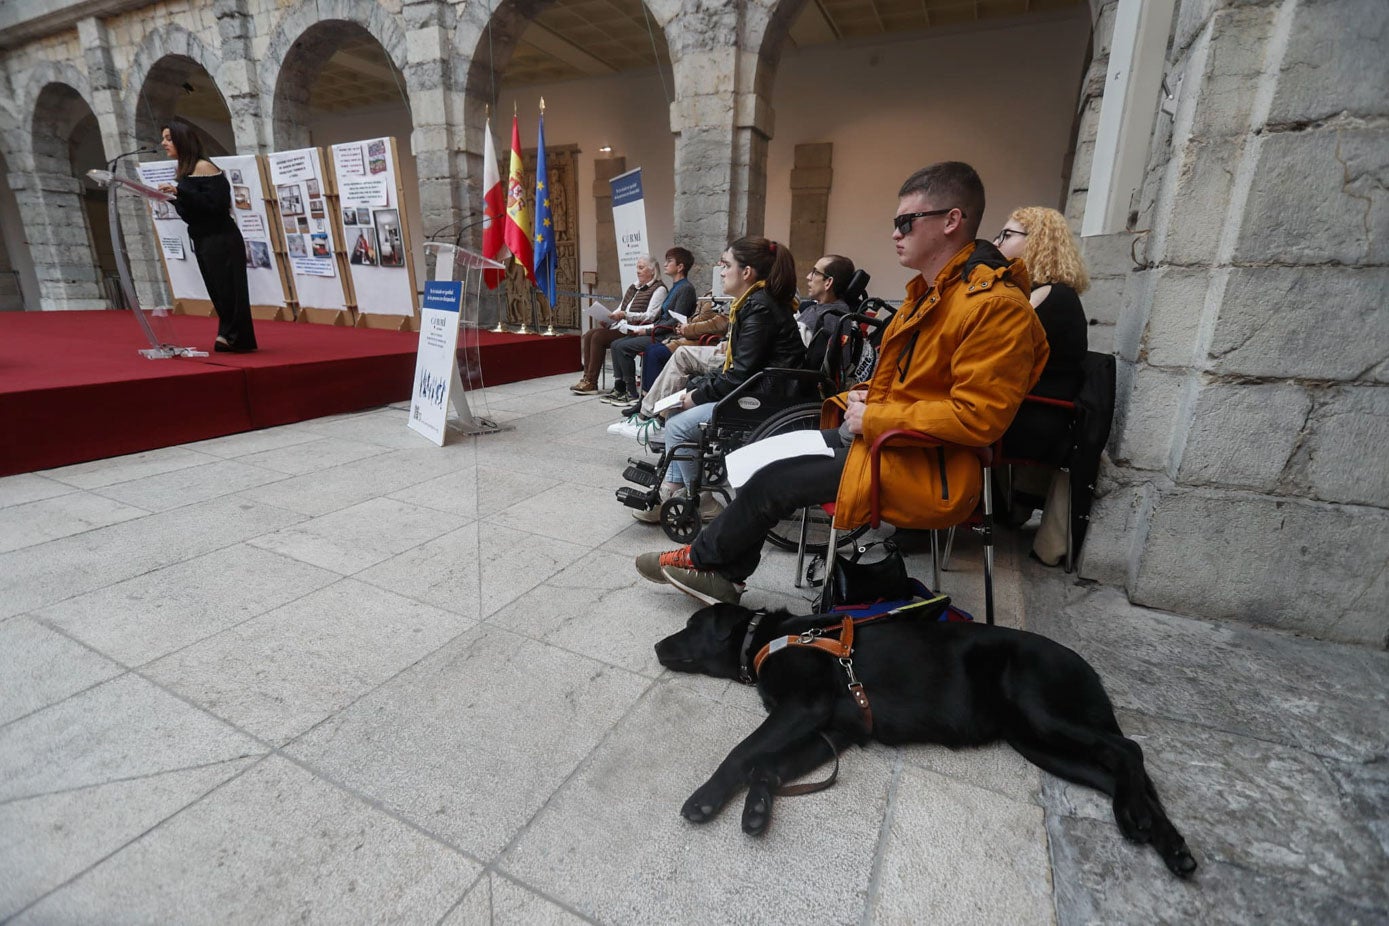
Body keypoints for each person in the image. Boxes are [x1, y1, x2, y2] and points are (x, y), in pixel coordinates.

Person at [635, 162, 1049, 605]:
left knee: (776, 481)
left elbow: (979, 416)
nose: (895, 232)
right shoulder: (933, 294)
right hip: (892, 441)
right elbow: (926, 387)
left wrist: (876, 414)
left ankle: (709, 564)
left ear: (951, 221)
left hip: (929, 463)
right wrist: (871, 397)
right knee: (763, 460)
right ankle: (721, 571)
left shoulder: (994, 307)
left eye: (906, 222)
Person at [632, 235, 805, 524]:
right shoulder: (758, 302)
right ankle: (672, 490)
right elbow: (738, 368)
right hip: (765, 387)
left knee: (677, 425)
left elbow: (740, 374)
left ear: (746, 272)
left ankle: (701, 502)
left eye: (726, 265)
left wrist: (697, 395)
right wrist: (695, 389)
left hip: (766, 398)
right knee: (677, 407)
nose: (721, 271)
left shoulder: (759, 307)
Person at [992, 206, 1090, 566]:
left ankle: (927, 518)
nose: (997, 242)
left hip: (1039, 418)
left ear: (1037, 242)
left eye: (1006, 235)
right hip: (1031, 410)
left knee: (950, 416)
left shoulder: (1050, 295)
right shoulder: (1040, 292)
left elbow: (998, 353)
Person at [156, 120, 257, 353]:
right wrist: (175, 198)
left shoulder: (204, 167)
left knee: (228, 289)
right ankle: (228, 334)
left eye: (169, 138)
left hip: (221, 237)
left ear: (183, 140)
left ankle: (236, 337)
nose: (163, 143)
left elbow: (217, 205)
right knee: (217, 290)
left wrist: (180, 193)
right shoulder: (186, 172)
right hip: (203, 238)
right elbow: (193, 212)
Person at [607, 248, 696, 405]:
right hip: (658, 331)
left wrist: (647, 329)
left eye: (669, 261)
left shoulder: (685, 288)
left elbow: (675, 321)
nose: (664, 264)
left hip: (666, 336)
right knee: (616, 344)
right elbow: (664, 318)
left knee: (622, 347)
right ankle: (621, 388)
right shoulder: (676, 286)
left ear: (680, 267)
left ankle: (631, 393)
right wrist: (646, 328)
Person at [571, 255, 665, 396]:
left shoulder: (659, 289)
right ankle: (586, 379)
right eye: (637, 268)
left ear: (652, 271)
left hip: (636, 328)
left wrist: (625, 315)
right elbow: (622, 307)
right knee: (590, 334)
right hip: (621, 325)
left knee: (598, 337)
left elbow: (651, 315)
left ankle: (591, 381)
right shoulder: (634, 287)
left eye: (641, 268)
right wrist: (610, 317)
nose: (637, 271)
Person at [796, 254, 856, 345]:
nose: (808, 276)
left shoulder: (821, 319)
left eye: (815, 273)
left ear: (828, 282)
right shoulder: (843, 313)